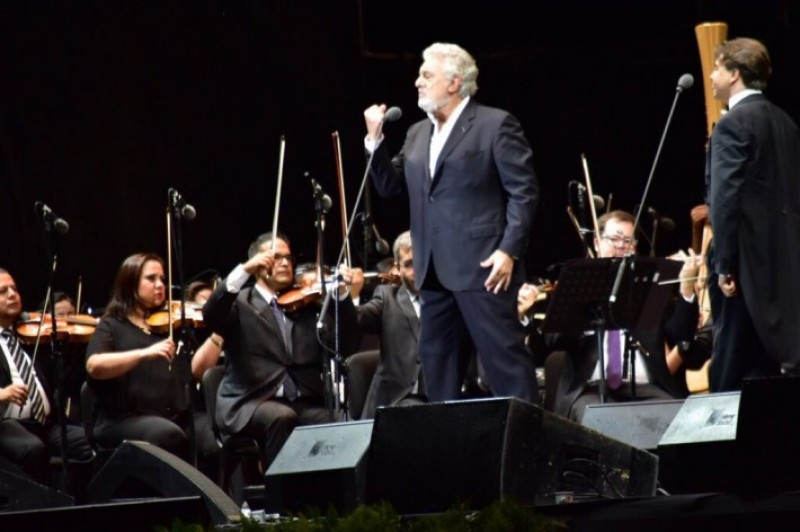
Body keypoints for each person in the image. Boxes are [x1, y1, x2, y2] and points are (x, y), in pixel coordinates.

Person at [364, 42, 539, 403]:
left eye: (426, 75)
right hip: (432, 271)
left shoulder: (494, 124)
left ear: (455, 82)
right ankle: (448, 450)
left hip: (484, 267)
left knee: (503, 362)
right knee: (438, 368)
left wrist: (509, 250)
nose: (417, 82)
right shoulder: (416, 133)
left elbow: (525, 193)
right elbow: (388, 186)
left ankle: (530, 446)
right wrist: (375, 141)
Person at [202, 232, 360, 470]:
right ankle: (284, 500)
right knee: (281, 417)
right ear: (259, 264)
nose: (286, 263)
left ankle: (337, 499)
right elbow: (211, 313)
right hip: (251, 402)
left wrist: (344, 297)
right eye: (276, 258)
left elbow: (343, 343)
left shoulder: (305, 305)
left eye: (288, 258)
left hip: (302, 401)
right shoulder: (241, 304)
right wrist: (245, 269)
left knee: (345, 422)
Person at [706, 37, 800, 390]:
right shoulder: (787, 123)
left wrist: (725, 265)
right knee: (768, 370)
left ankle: (719, 445)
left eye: (716, 69)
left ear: (734, 74)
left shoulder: (732, 124)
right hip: (783, 265)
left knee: (729, 369)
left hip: (744, 265)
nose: (712, 76)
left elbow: (725, 200)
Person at [545, 211, 701, 422]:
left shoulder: (648, 287)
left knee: (676, 420)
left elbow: (680, 334)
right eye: (614, 239)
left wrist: (687, 290)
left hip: (646, 388)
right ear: (597, 242)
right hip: (590, 389)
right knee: (597, 420)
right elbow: (552, 340)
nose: (620, 246)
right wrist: (585, 319)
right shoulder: (580, 284)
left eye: (627, 241)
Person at [85, 253, 217, 468]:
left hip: (177, 417)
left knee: (216, 438)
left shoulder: (171, 325)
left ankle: (218, 501)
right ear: (130, 283)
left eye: (162, 279)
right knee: (168, 435)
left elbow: (197, 371)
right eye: (151, 278)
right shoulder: (112, 325)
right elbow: (95, 366)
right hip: (122, 420)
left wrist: (219, 333)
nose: (160, 285)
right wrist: (144, 353)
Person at [0, 268, 93, 487]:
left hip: (46, 424)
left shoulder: (31, 334)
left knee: (88, 442)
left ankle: (79, 506)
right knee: (31, 449)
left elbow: (67, 381)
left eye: (14, 288)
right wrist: (3, 393)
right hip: (6, 423)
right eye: (3, 291)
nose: (13, 294)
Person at [355, 230, 426, 418]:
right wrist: (352, 296)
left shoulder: (445, 299)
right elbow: (359, 319)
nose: (417, 270)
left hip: (441, 395)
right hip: (397, 399)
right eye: (409, 264)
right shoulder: (387, 296)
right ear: (397, 268)